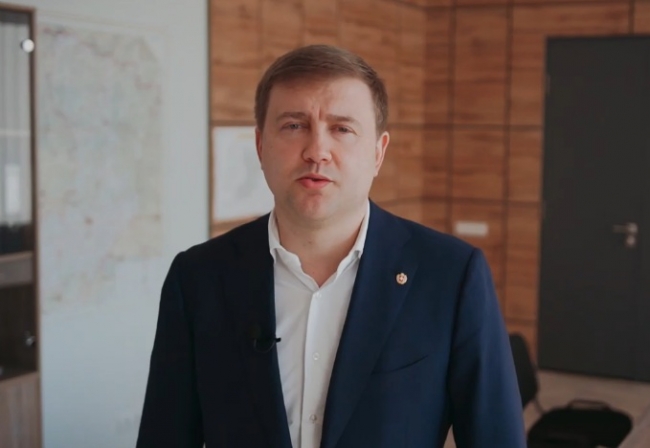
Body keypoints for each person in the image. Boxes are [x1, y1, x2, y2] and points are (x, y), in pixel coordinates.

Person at [136, 44, 526, 448]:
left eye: (342, 129)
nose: (316, 151)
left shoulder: (451, 275)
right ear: (260, 146)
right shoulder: (198, 278)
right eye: (294, 125)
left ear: (378, 152)